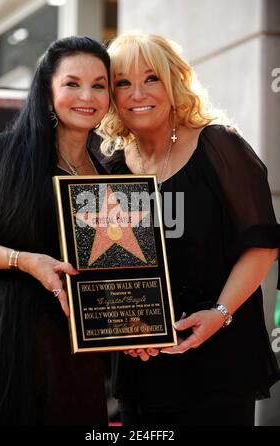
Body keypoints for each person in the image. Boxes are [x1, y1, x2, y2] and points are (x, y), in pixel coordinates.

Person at [99, 32, 280, 426]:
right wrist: (125, 328)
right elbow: (106, 261)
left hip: (219, 355)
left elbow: (263, 244)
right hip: (142, 363)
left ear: (174, 81)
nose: (137, 93)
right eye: (123, 83)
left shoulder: (219, 146)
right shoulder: (107, 167)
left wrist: (219, 313)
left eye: (151, 78)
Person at [0, 36, 110, 425]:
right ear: (48, 90)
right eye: (72, 83)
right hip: (17, 337)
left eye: (99, 85)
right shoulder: (7, 154)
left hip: (83, 349)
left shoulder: (110, 170)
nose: (87, 95)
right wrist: (23, 261)